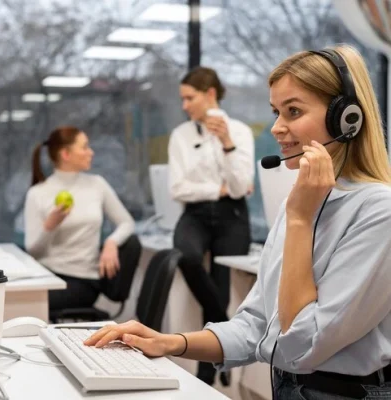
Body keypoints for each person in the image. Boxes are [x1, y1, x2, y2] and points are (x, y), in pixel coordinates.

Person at [85, 45, 391, 399]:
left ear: (346, 118)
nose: (277, 128)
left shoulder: (376, 211)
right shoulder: (303, 204)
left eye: (293, 111)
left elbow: (301, 347)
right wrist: (169, 342)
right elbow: (254, 326)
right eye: (276, 112)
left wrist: (299, 222)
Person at [168, 66, 255, 385]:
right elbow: (177, 188)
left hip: (232, 216)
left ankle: (207, 369)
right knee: (186, 256)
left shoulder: (240, 131)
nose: (184, 105)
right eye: (182, 99)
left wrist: (227, 142)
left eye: (189, 98)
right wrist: (213, 189)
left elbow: (239, 186)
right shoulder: (181, 135)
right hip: (195, 215)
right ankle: (223, 331)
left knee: (220, 283)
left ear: (210, 95)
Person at [25, 126, 140, 313]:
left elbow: (127, 223)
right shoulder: (37, 193)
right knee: (10, 299)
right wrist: (50, 226)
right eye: (85, 147)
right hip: (47, 276)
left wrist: (111, 242)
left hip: (83, 281)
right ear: (66, 154)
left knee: (24, 305)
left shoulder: (97, 185)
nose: (91, 152)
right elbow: (34, 251)